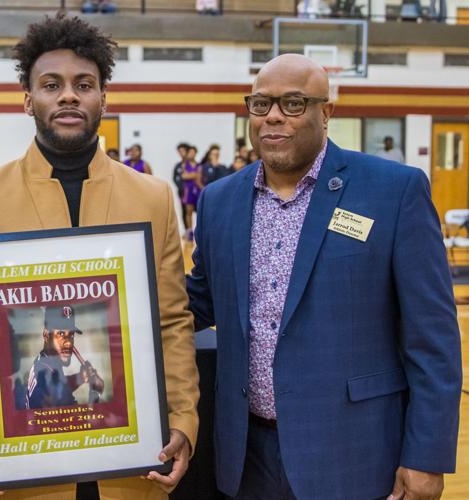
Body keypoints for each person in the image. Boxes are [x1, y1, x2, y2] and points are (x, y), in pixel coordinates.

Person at [0, 13, 198, 500]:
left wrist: (182, 419)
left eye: (84, 84)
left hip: (132, 465)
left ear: (103, 96)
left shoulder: (154, 196)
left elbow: (172, 324)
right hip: (21, 471)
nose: (69, 95)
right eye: (51, 85)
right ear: (28, 99)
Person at [186, 54, 461, 499]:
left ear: (326, 112)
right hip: (246, 455)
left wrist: (426, 456)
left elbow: (433, 341)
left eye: (293, 103)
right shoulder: (220, 201)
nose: (273, 116)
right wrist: (116, 298)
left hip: (353, 453)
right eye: (260, 104)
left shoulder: (393, 191)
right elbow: (198, 301)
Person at [26, 306, 104, 409]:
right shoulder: (47, 375)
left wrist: (81, 377)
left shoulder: (44, 361)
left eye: (71, 335)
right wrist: (96, 392)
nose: (68, 343)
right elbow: (86, 421)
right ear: (46, 335)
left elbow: (59, 385)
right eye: (61, 333)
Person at [181, 145, 202, 240]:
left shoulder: (199, 165)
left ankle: (199, 232)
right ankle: (189, 232)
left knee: (199, 212)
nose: (192, 154)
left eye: (194, 152)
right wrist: (193, 175)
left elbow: (199, 177)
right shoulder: (184, 164)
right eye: (190, 152)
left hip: (197, 190)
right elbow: (183, 176)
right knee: (188, 212)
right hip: (188, 190)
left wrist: (190, 175)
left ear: (196, 153)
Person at [172, 142, 190, 230]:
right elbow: (175, 178)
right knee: (184, 211)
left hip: (193, 193)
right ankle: (188, 231)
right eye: (179, 151)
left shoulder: (193, 164)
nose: (181, 153)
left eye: (182, 151)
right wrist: (181, 187)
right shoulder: (178, 166)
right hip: (182, 192)